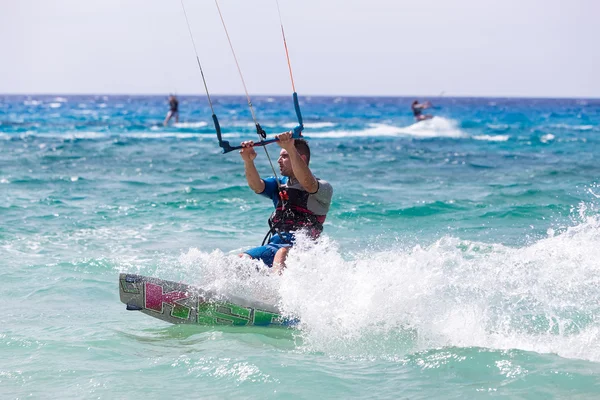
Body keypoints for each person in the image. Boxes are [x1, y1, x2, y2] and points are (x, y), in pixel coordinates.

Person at [239, 131, 333, 274]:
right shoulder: (278, 184)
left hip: (304, 250)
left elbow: (308, 184)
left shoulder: (323, 187)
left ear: (301, 158)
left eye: (284, 156)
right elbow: (256, 186)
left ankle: (279, 293)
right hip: (274, 246)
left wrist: (290, 148)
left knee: (282, 254)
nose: (278, 160)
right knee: (241, 259)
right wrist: (248, 161)